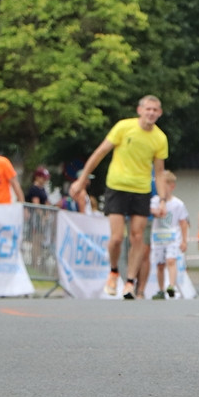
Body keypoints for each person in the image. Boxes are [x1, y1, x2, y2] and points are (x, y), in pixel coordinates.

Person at [70, 95, 168, 300]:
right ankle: (114, 271)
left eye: (155, 110)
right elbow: (99, 153)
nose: (151, 113)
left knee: (137, 237)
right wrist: (81, 181)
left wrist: (162, 199)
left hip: (141, 190)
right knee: (116, 238)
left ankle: (130, 282)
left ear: (159, 113)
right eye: (148, 109)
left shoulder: (160, 138)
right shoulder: (124, 127)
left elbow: (159, 172)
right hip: (117, 186)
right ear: (140, 110)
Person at [149, 171, 189, 300]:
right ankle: (161, 289)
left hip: (172, 237)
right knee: (160, 264)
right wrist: (157, 211)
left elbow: (183, 223)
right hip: (158, 237)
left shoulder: (178, 204)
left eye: (165, 184)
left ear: (172, 186)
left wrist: (184, 240)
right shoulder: (155, 201)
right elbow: (150, 210)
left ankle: (171, 285)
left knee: (171, 260)